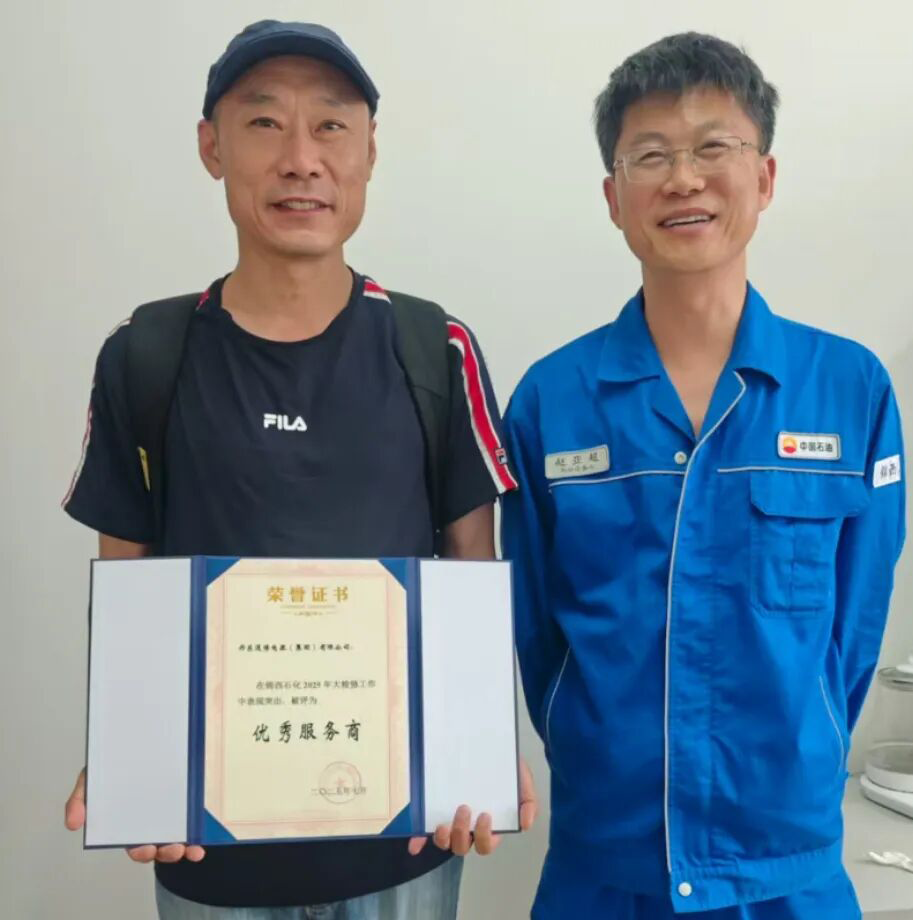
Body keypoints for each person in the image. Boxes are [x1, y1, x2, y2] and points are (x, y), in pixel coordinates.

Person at [62, 19, 535, 919]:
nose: (300, 160)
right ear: (211, 147)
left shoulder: (434, 348)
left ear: (368, 152)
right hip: (209, 853)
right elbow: (128, 585)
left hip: (402, 854)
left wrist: (479, 751)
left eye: (329, 126)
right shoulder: (145, 353)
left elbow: (469, 572)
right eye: (264, 123)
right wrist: (129, 758)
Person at [502, 31, 905, 919]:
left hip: (786, 866)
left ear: (763, 177)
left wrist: (794, 754)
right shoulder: (549, 401)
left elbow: (853, 632)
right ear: (613, 196)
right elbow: (534, 634)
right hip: (605, 866)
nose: (683, 179)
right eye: (650, 155)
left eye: (712, 147)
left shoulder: (848, 391)